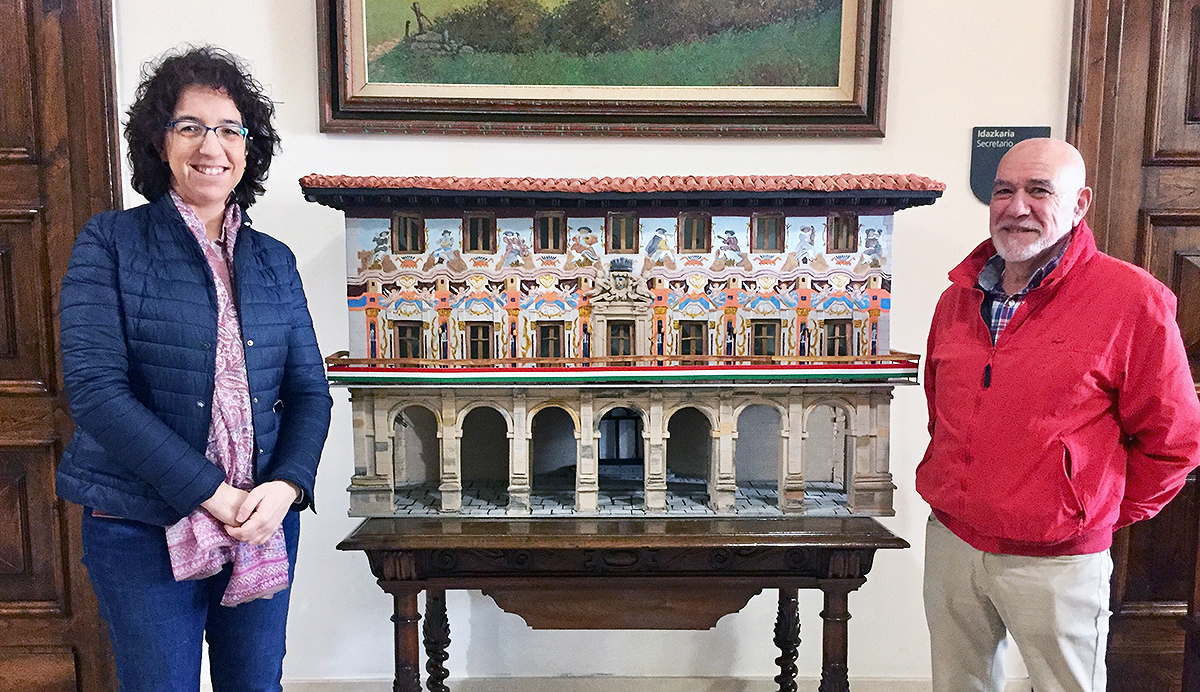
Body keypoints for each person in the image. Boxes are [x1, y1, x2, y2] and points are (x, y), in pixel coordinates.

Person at [56, 46, 333, 692]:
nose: (212, 146)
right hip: (140, 526)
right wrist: (214, 492)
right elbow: (96, 393)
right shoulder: (110, 242)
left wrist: (287, 487)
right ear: (160, 142)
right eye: (190, 126)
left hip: (261, 522)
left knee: (256, 685)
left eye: (230, 129)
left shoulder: (273, 260)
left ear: (248, 148)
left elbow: (309, 393)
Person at [918, 138, 1200, 692]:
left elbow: (1175, 440)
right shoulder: (958, 297)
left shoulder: (1132, 299)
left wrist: (1090, 511)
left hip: (1058, 559)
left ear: (1079, 204)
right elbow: (940, 408)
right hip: (953, 542)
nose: (1017, 207)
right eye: (1004, 191)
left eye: (1039, 190)